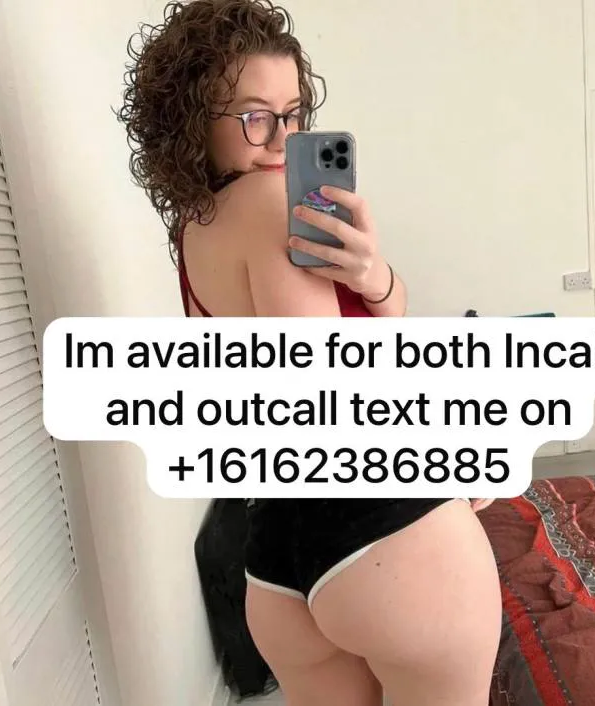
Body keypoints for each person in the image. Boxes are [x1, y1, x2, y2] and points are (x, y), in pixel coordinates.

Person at [117, 2, 502, 705]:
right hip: (389, 534)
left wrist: (372, 277)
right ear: (190, 120)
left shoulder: (194, 230)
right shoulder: (274, 202)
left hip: (277, 559)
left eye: (292, 114)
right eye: (254, 116)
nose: (280, 139)